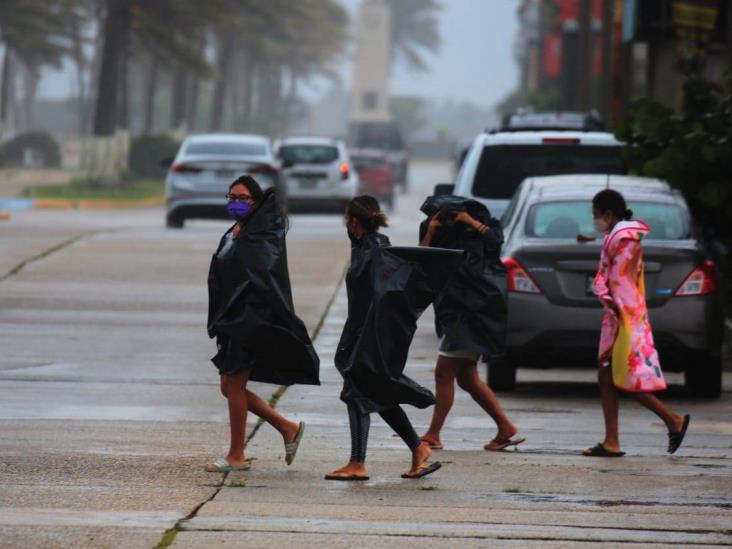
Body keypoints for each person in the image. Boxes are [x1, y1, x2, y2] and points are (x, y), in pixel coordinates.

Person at [325, 195, 462, 481]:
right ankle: (419, 450)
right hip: (359, 333)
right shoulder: (363, 246)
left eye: (347, 219)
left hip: (369, 336)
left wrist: (373, 340)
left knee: (356, 393)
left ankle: (357, 463)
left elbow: (389, 296)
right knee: (378, 393)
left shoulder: (377, 250)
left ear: (352, 220)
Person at [206, 175, 320, 472]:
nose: (235, 203)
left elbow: (263, 278)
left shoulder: (261, 235)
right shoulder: (235, 231)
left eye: (242, 198)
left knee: (233, 385)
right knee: (228, 386)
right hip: (232, 320)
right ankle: (287, 428)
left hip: (249, 321)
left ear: (256, 202)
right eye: (231, 197)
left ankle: (236, 456)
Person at [584, 189, 689, 457]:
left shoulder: (625, 238)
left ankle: (673, 420)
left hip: (623, 316)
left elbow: (620, 280)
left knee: (623, 377)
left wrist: (610, 302)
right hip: (618, 315)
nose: (595, 221)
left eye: (596, 215)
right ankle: (611, 441)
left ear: (608, 214)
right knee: (607, 375)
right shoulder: (617, 236)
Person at [418, 195, 524, 452]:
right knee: (466, 377)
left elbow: (496, 242)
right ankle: (505, 428)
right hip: (453, 310)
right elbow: (421, 259)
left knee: (444, 373)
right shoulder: (436, 230)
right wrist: (432, 231)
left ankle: (433, 434)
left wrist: (469, 221)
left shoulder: (481, 231)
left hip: (473, 311)